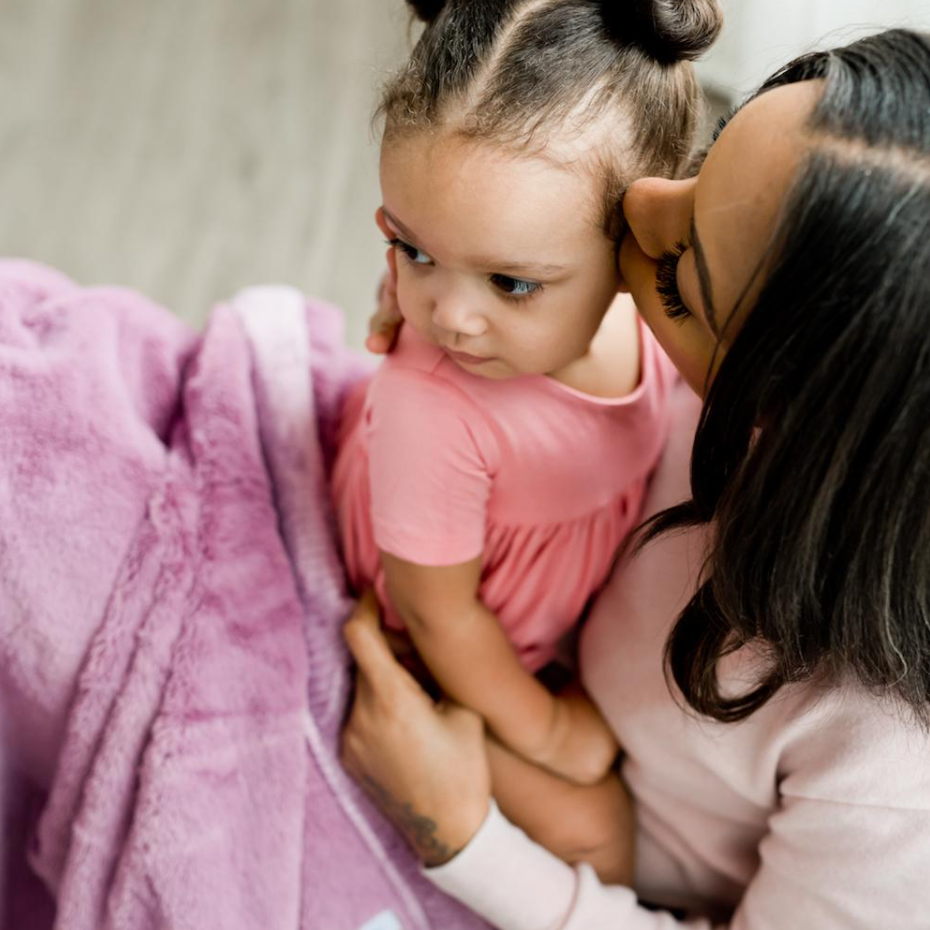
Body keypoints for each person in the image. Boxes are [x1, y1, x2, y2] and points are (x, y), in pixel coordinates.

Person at [341, 26, 930, 929]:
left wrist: (461, 835)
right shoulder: (737, 359)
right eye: (712, 154)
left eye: (681, 276)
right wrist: (457, 271)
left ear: (805, 431)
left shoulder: (892, 779)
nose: (639, 205)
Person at [331, 0, 722, 881]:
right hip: (439, 646)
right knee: (594, 830)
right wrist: (548, 729)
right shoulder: (435, 407)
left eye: (510, 282)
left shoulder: (670, 326)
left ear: (636, 250)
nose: (449, 318)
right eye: (413, 248)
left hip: (537, 607)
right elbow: (438, 611)